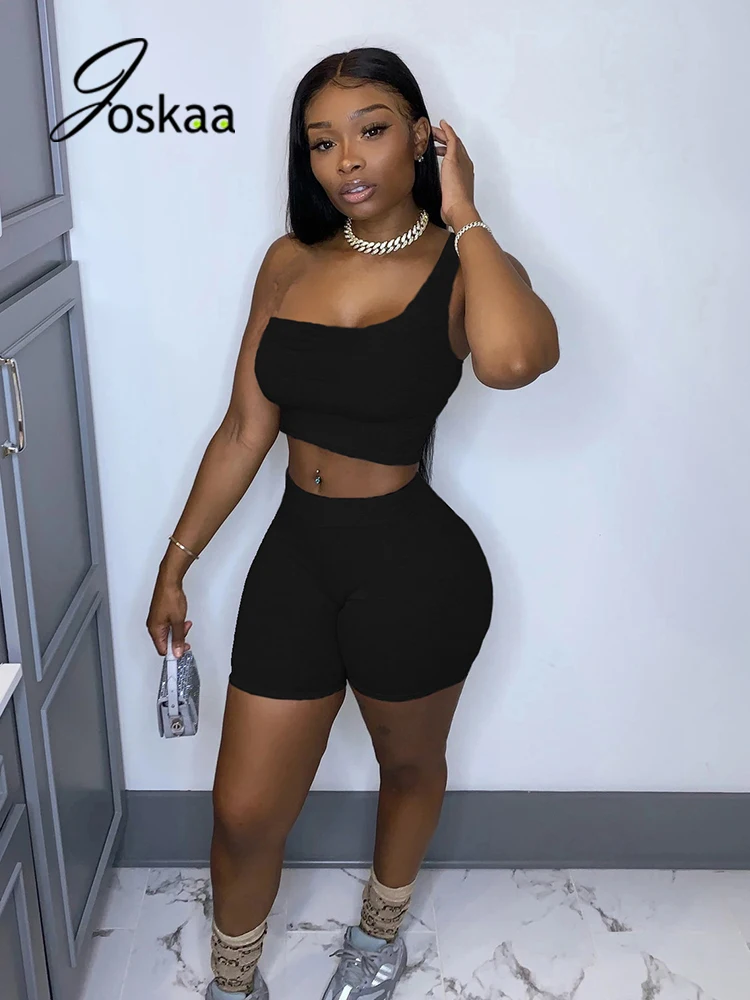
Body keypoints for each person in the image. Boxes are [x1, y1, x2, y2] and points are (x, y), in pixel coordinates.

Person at [146, 46, 558, 1000]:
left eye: (371, 130)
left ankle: (378, 939)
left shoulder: (462, 263)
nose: (347, 160)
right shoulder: (289, 262)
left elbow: (512, 361)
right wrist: (176, 562)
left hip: (413, 569)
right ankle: (233, 983)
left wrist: (466, 213)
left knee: (407, 767)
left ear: (421, 136)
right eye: (322, 142)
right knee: (243, 813)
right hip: (296, 558)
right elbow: (246, 428)